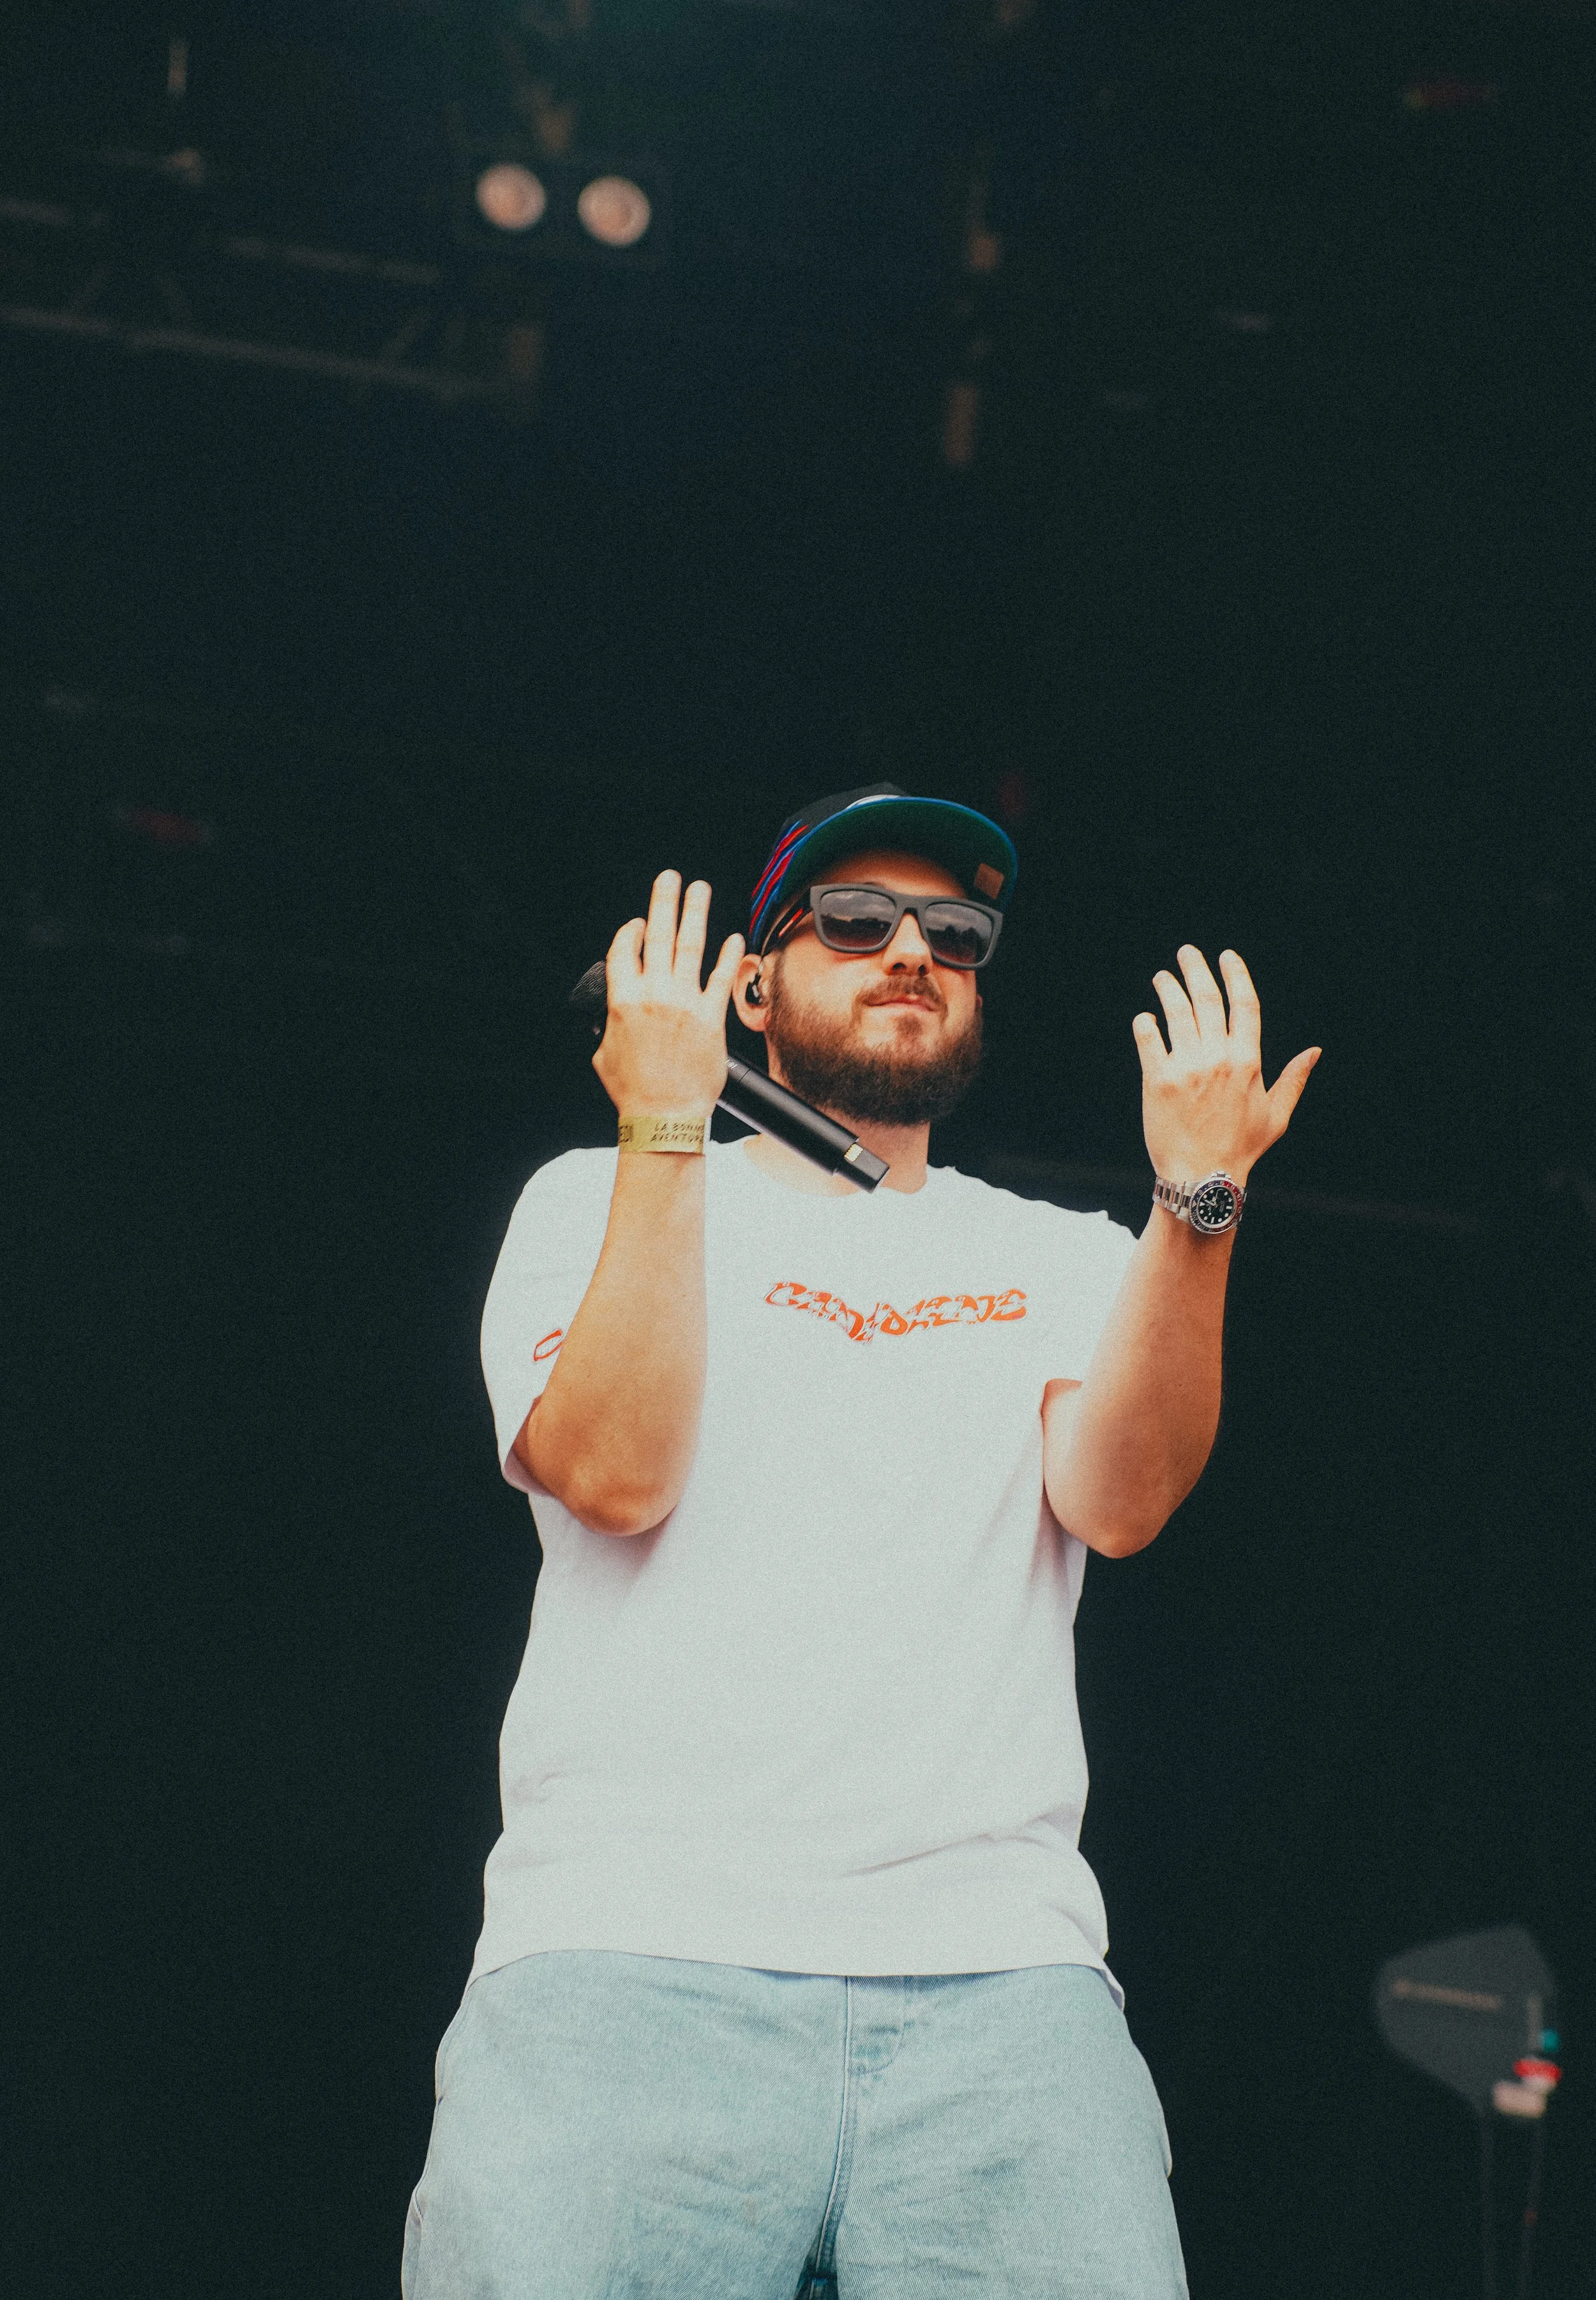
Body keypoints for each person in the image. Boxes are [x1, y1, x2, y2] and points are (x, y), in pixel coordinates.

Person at [402, 782, 1320, 2300]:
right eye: (851, 920)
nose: (909, 950)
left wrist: (1198, 1198)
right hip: (628, 1953)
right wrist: (659, 1118)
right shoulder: (592, 1198)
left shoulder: (1062, 1254)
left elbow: (1123, 1500)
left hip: (1002, 1985)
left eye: (952, 932)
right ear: (748, 980)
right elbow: (616, 1473)